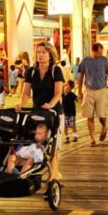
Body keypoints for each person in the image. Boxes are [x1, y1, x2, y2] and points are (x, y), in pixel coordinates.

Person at [17, 42, 65, 180]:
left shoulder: (55, 70)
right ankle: (42, 171)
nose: (40, 55)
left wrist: (50, 104)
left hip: (54, 113)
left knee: (54, 146)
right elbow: (26, 93)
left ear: (50, 55)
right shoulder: (31, 71)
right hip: (37, 114)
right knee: (36, 143)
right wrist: (21, 104)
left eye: (44, 52)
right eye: (38, 52)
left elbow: (58, 93)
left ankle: (52, 178)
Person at [77, 42, 108, 147]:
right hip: (88, 90)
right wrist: (79, 90)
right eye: (99, 52)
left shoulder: (105, 60)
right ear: (93, 51)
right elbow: (81, 76)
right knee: (89, 116)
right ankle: (92, 139)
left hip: (101, 90)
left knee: (101, 115)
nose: (100, 54)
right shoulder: (85, 61)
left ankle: (104, 126)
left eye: (101, 52)